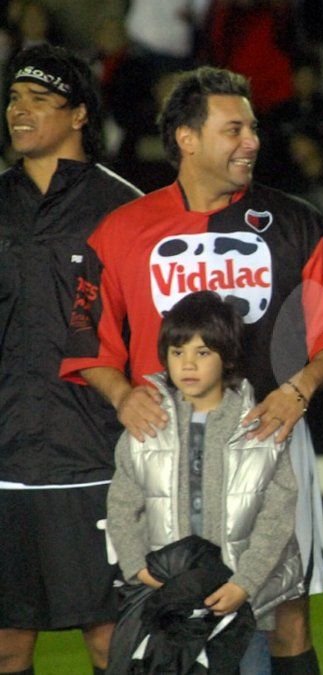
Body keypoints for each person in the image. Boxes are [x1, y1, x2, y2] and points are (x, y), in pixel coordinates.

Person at [60, 66, 323, 675]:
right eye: (234, 130)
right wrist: (123, 395)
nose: (252, 141)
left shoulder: (297, 222)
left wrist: (297, 391)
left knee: (285, 612)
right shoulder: (122, 231)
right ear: (186, 139)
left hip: (269, 440)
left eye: (253, 128)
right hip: (163, 450)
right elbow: (85, 341)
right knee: (162, 604)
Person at [0, 44, 142, 675]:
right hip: (5, 458)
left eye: (37, 99)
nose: (17, 111)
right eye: (12, 99)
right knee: (7, 646)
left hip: (97, 458)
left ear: (80, 113)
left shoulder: (126, 210)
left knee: (111, 641)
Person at [106, 290, 303, 671]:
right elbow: (121, 505)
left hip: (238, 607)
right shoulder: (145, 427)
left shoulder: (260, 429)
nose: (188, 364)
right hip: (168, 605)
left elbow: (277, 516)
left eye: (202, 352)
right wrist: (139, 568)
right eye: (177, 352)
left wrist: (244, 583)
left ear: (227, 357)